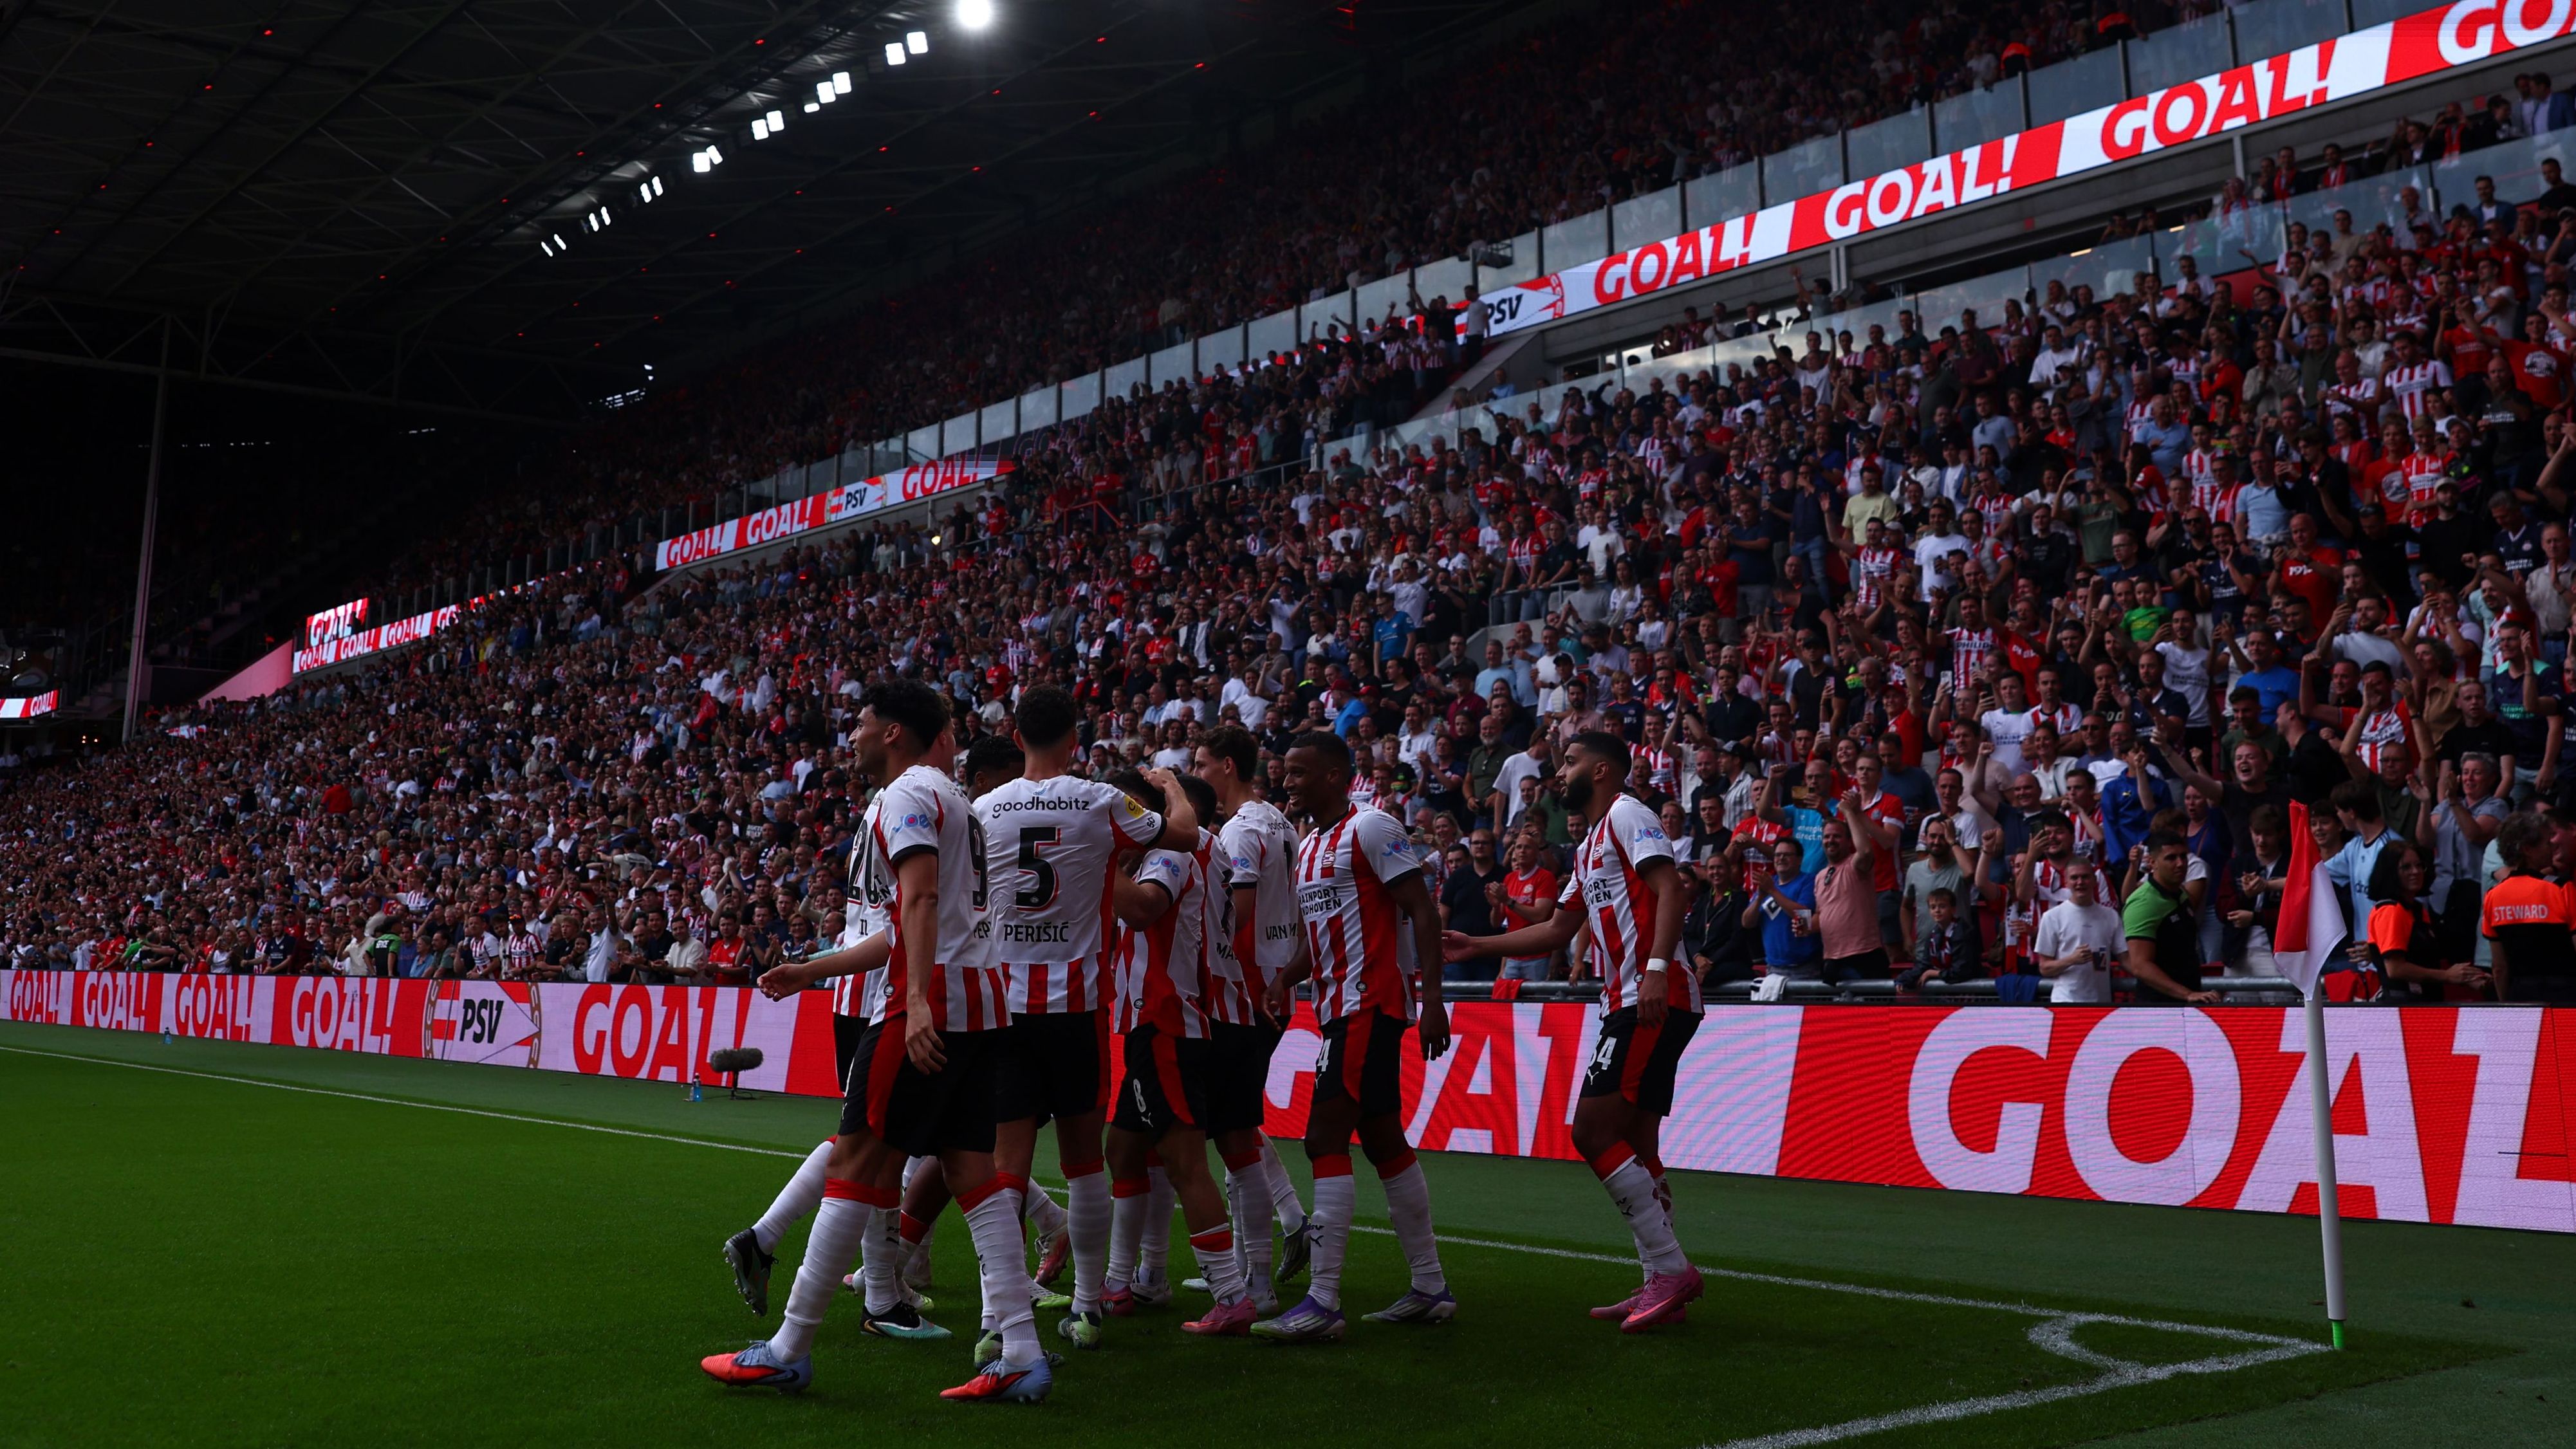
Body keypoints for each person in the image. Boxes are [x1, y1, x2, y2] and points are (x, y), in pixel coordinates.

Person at [698, 679, 1050, 1403]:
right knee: (973, 1172)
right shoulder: (952, 798)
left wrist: (917, 1002)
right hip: (980, 999)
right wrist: (812, 969)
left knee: (857, 1159)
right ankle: (1018, 1348)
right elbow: (913, 916)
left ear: (893, 731)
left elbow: (919, 900)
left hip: (934, 997)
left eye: (860, 722)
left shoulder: (905, 796)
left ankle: (789, 1345)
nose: (851, 734)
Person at [1441, 732, 1703, 1332]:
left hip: (1649, 996)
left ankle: (1670, 1269)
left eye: (1571, 761)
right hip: (1633, 998)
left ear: (1603, 769)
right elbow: (1557, 929)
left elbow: (1671, 889)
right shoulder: (1587, 846)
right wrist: (1476, 944)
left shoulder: (1629, 813)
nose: (1560, 772)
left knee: (1590, 1130)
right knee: (1636, 1142)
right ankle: (1659, 1281)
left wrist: (1657, 970)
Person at [975, 686, 1194, 1349]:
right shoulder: (1100, 799)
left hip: (1003, 1006)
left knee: (1006, 1160)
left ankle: (998, 1311)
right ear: (1075, 736)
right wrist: (1173, 786)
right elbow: (1181, 834)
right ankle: (1088, 1305)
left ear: (1016, 737)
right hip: (1075, 1006)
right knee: (1081, 1159)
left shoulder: (982, 807)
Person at [1254, 730, 1454, 1343]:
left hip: (1371, 1005)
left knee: (1323, 1139)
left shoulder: (1373, 828)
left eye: (1298, 771)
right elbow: (1322, 937)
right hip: (1338, 1007)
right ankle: (1429, 1287)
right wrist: (1288, 975)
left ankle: (1323, 1300)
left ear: (1337, 776)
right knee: (1385, 1140)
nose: (1287, 781)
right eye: (1284, 772)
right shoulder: (1312, 844)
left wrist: (1433, 1003)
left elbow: (1421, 910)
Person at [1098, 770, 1261, 1336]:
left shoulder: (1167, 853)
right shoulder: (1199, 849)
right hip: (1174, 1017)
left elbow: (1143, 911)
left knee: (1185, 1160)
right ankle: (1123, 1282)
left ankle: (1230, 1293)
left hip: (1167, 1017)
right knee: (1123, 1150)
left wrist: (1096, 856)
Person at [1191, 724, 1315, 1304]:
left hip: (1243, 992)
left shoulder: (1240, 831)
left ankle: (1259, 1270)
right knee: (1233, 1123)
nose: (1199, 773)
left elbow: (1235, 915)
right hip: (1273, 984)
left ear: (1229, 767)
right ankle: (1260, 1252)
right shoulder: (1278, 824)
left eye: (1204, 763)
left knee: (1231, 1128)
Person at [2484, 813, 2576, 1002]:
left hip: (2520, 996)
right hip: (2565, 994)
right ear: (2527, 849)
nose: (2552, 847)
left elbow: (2499, 967)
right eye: (2546, 843)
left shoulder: (2493, 896)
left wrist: (2505, 1004)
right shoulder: (2561, 888)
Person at [2121, 831, 2219, 1004]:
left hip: (2187, 1000)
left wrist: (2190, 994)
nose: (2180, 864)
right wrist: (2186, 994)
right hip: (2158, 1007)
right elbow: (2140, 966)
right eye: (2171, 858)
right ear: (2152, 863)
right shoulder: (2143, 903)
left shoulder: (2181, 894)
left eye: (2183, 856)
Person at [2032, 865, 2122, 1004]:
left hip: (2102, 1004)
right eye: (2074, 878)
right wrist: (2072, 960)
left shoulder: (2111, 916)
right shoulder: (2052, 917)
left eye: (2085, 877)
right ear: (2066, 882)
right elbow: (2044, 968)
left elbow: (2126, 959)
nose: (2080, 882)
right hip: (2066, 1001)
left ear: (2095, 881)